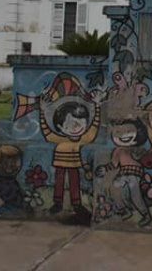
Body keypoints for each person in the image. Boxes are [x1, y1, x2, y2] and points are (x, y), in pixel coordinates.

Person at [38, 74, 101, 215]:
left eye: (81, 124)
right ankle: (58, 202)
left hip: (74, 164)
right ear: (60, 127)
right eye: (72, 124)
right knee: (59, 181)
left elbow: (94, 128)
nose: (77, 128)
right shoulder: (58, 138)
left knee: (74, 182)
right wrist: (42, 111)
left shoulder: (81, 139)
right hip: (60, 162)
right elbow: (46, 132)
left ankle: (76, 204)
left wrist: (97, 106)